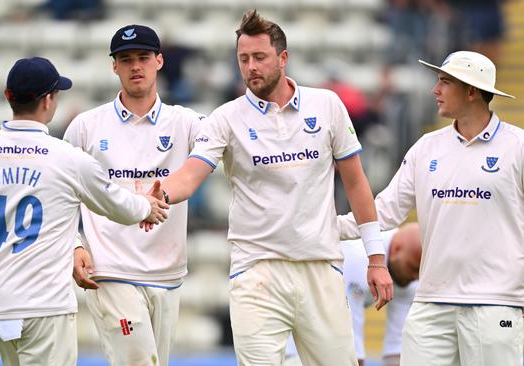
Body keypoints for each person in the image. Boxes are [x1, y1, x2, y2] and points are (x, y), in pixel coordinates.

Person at [145, 10, 393, 365]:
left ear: (283, 58)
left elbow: (356, 182)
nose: (250, 68)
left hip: (319, 266)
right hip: (256, 271)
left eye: (259, 57)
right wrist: (161, 194)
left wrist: (376, 258)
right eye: (243, 59)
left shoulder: (326, 106)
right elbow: (191, 174)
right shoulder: (226, 118)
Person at [0, 56, 169, 366]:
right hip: (46, 306)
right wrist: (148, 206)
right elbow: (119, 206)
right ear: (49, 100)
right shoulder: (68, 158)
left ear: (9, 97)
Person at [338, 50, 522, 365]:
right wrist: (325, 226)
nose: (435, 90)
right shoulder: (427, 147)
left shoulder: (517, 147)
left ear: (472, 91)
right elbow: (385, 210)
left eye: (444, 82)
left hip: (496, 304)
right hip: (430, 304)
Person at [64, 24, 203, 366]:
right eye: (125, 59)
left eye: (143, 57)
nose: (135, 66)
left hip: (167, 273)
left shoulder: (186, 123)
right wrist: (75, 246)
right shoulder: (86, 126)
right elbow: (58, 196)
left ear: (159, 61)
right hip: (110, 269)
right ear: (114, 66)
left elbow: (227, 152)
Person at [285, 223, 421, 366]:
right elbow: (352, 341)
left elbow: (396, 347)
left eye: (419, 272)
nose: (415, 277)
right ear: (396, 249)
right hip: (294, 328)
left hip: (324, 329)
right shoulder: (359, 257)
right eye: (413, 268)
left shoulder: (408, 272)